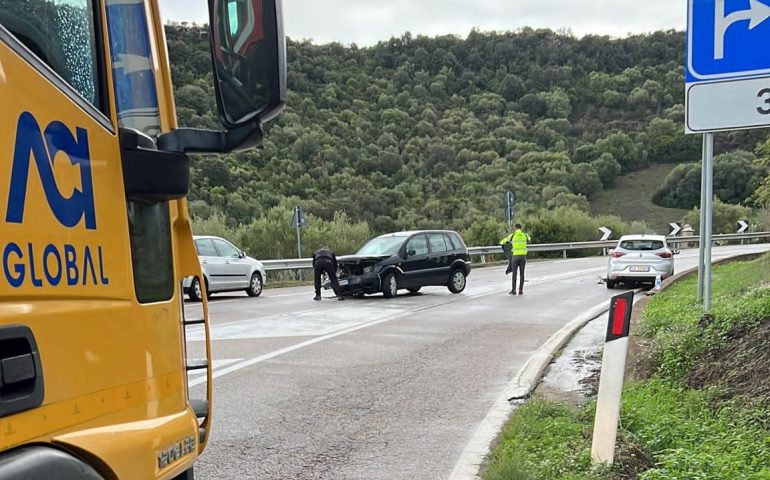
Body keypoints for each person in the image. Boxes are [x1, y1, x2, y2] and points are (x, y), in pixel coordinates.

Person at [499, 224, 530, 295]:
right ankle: (521, 290)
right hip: (523, 257)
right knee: (522, 274)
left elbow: (502, 242)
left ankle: (513, 290)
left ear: (515, 228)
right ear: (521, 228)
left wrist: (507, 244)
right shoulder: (525, 235)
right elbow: (529, 239)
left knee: (514, 274)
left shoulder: (512, 235)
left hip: (515, 256)